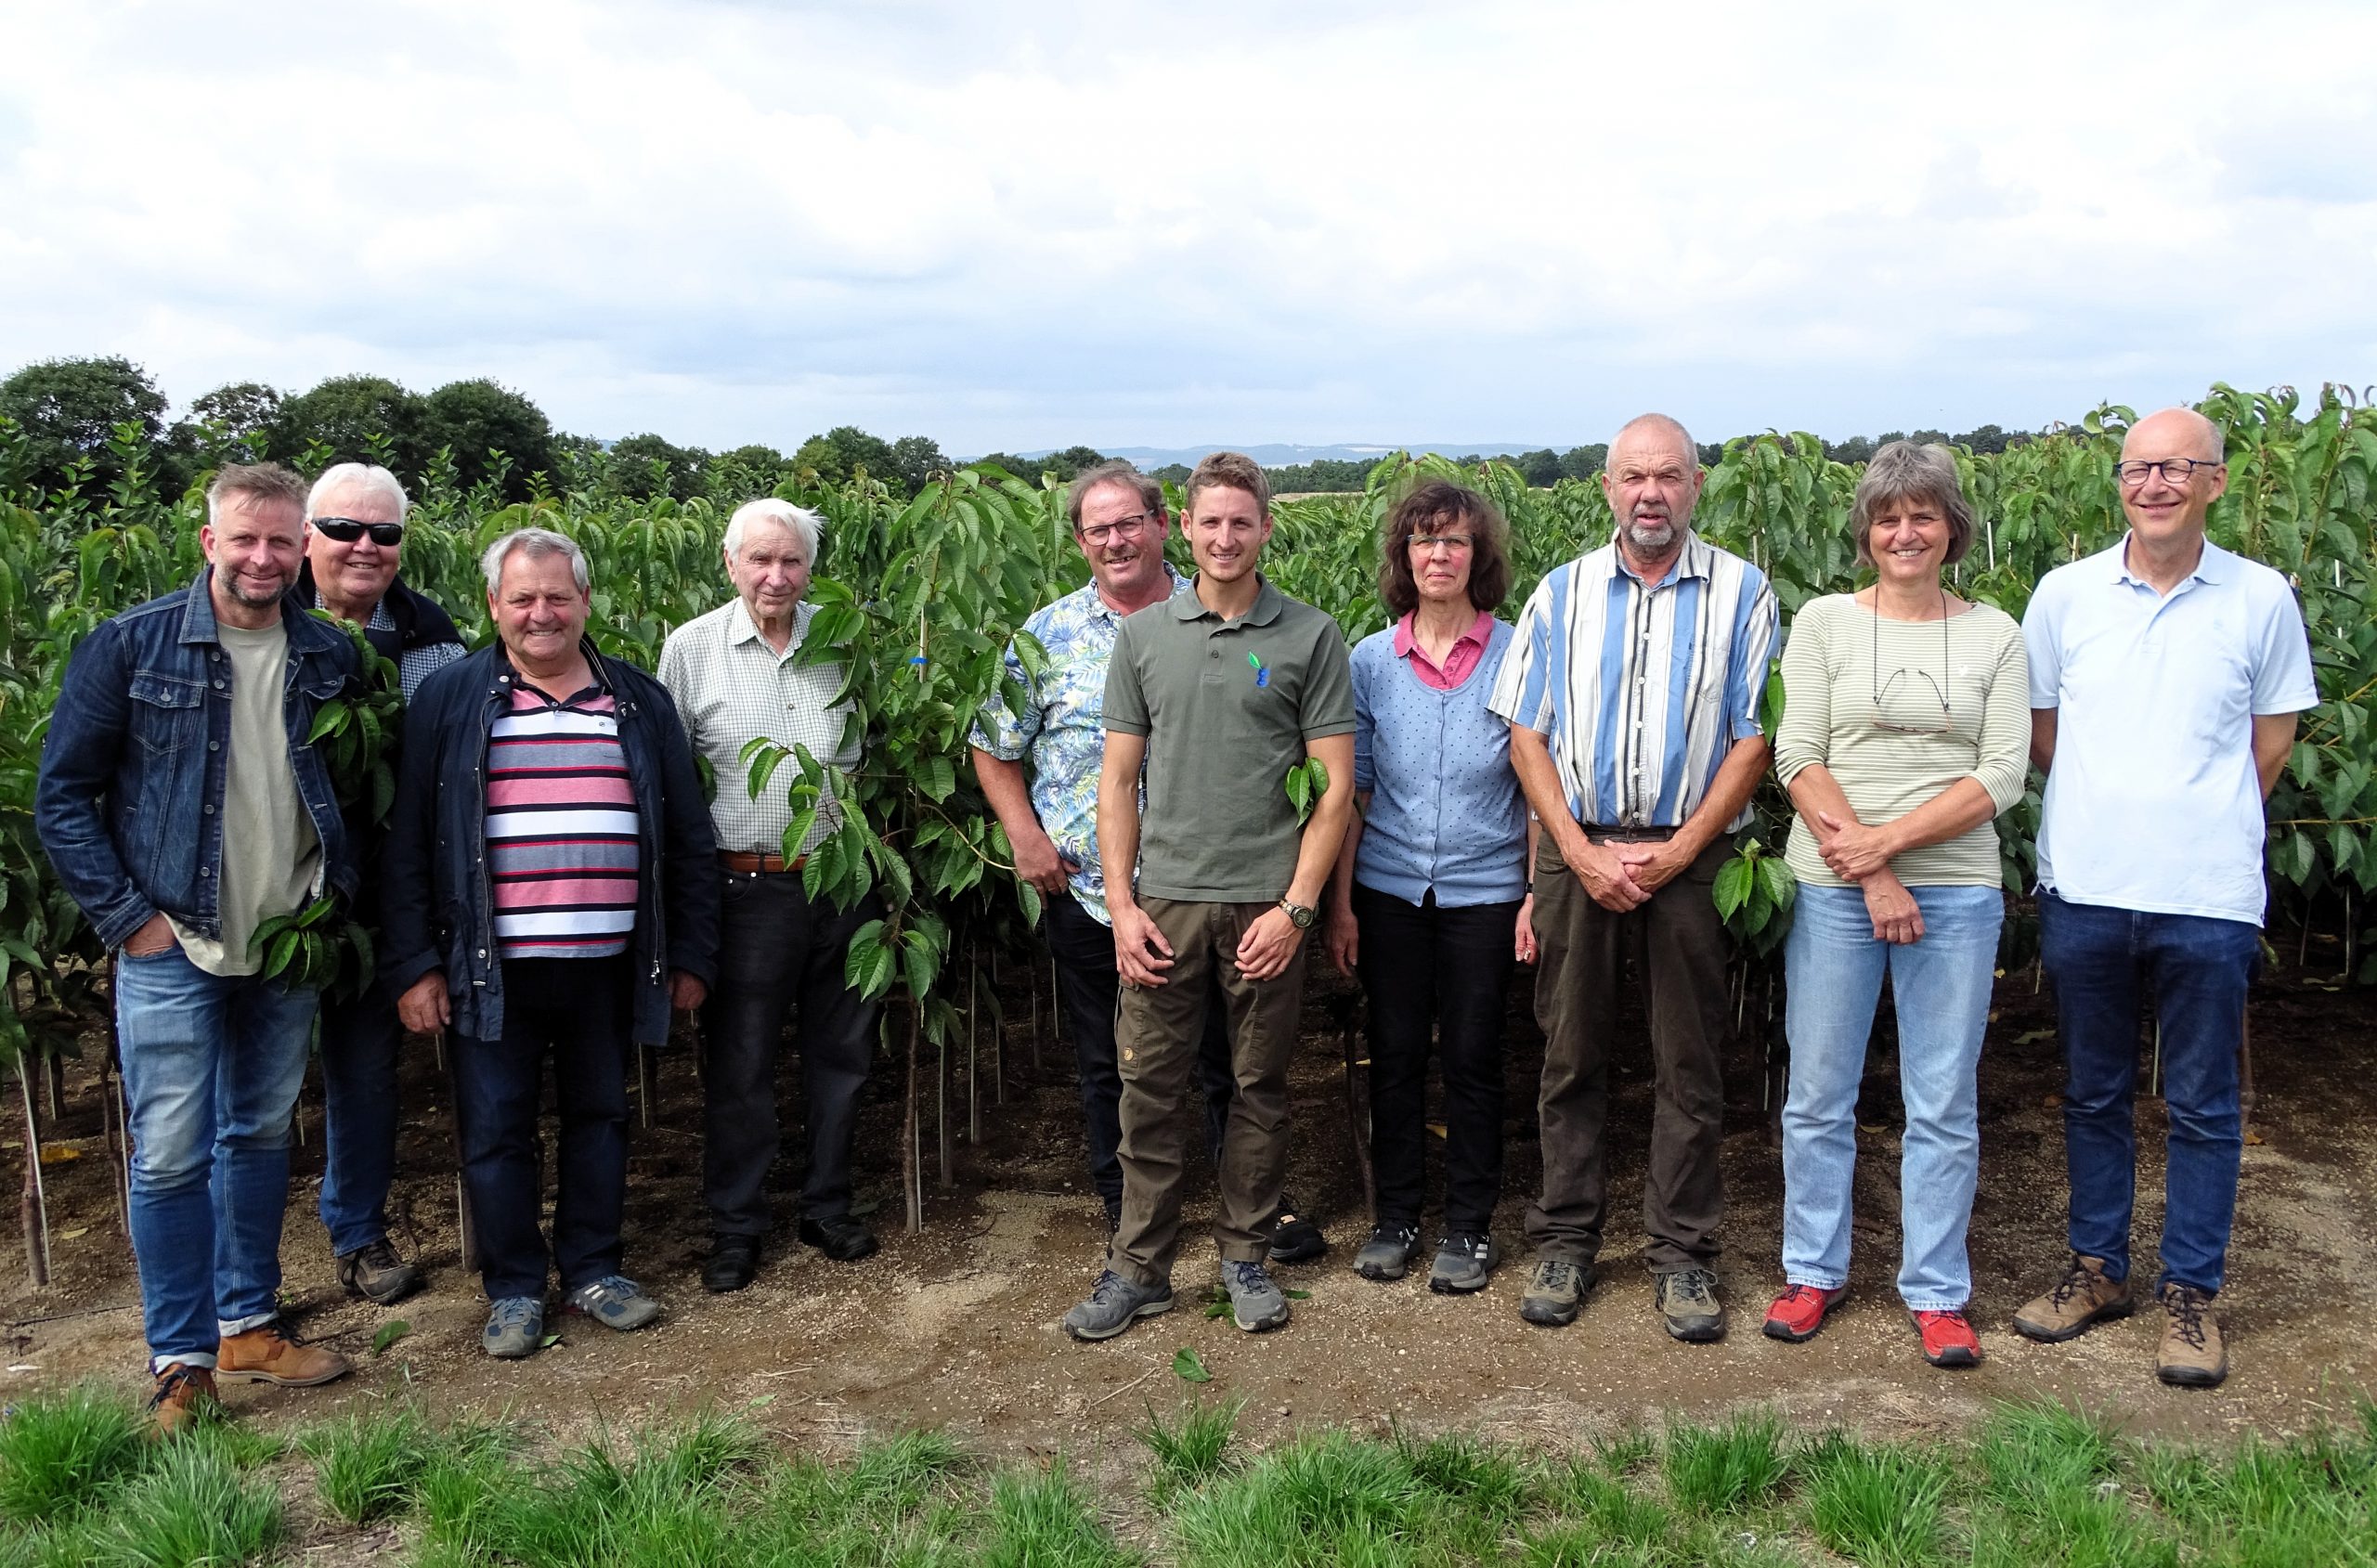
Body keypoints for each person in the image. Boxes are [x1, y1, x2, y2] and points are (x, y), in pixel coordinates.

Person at [35, 462, 361, 1432]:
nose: (263, 557)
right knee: (172, 1153)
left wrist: (331, 899)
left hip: (285, 936)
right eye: (244, 538)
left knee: (259, 1132)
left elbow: (345, 786)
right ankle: (180, 1360)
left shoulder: (326, 654)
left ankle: (248, 1324)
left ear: (303, 548)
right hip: (174, 938)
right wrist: (128, 919)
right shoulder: (132, 645)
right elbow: (63, 797)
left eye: (281, 540)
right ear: (210, 541)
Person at [2012, 407, 2317, 1388]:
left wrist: (2195, 815)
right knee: (2092, 1091)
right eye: (2137, 468)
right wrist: (2113, 803)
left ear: (2214, 483)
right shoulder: (2064, 594)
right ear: (2119, 483)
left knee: (2203, 1102)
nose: (2153, 485)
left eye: (2176, 468)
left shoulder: (2261, 598)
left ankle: (2190, 1294)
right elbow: (2042, 732)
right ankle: (2098, 1268)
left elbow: (2272, 741)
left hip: (2208, 895)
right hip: (2087, 886)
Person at [970, 461, 1323, 1260]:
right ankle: (1125, 1207)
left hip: (1215, 883)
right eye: (1098, 529)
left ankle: (1253, 1205)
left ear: (1165, 525)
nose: (1116, 541)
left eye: (1130, 523)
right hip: (1092, 891)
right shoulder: (1045, 635)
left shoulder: (1227, 615)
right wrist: (1025, 836)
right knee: (1113, 1061)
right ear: (1079, 542)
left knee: (1231, 1056)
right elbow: (994, 742)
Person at [383, 527, 719, 1357]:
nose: (542, 613)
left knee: (601, 1117)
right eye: (523, 598)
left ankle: (595, 1270)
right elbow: (410, 840)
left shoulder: (637, 699)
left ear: (585, 601)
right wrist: (415, 964)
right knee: (497, 1128)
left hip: (608, 962)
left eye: (558, 597)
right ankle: (514, 1288)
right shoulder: (451, 699)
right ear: (493, 605)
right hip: (492, 966)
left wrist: (690, 953)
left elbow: (686, 835)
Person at [1489, 413, 1778, 1341]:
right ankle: (1565, 1240)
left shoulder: (1744, 593)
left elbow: (1753, 738)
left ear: (1696, 485)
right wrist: (1576, 851)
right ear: (1608, 487)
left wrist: (1683, 850)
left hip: (1688, 857)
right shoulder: (1561, 592)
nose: (1650, 493)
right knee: (1569, 1052)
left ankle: (1682, 1253)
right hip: (1577, 851)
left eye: (1668, 476)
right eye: (1633, 477)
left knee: (1688, 1060)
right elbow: (1525, 732)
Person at [1063, 451, 1357, 1340]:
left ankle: (1245, 1257)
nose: (1226, 538)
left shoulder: (1310, 636)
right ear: (1184, 528)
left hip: (1265, 907)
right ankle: (1138, 1267)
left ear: (1266, 527)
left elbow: (1335, 787)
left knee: (1259, 1086)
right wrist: (1123, 906)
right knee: (1147, 1090)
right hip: (1167, 904)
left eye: (1242, 521)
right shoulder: (1144, 637)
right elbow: (1119, 782)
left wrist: (1297, 908)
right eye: (1211, 522)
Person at [1762, 442, 2029, 1367]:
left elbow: (2001, 773)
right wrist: (1871, 870)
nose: (1904, 533)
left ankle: (1937, 1290)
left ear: (1952, 529)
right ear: (1866, 532)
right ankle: (1811, 1272)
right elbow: (1796, 753)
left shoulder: (1996, 633)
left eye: (1922, 516)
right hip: (1835, 888)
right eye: (1887, 518)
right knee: (1817, 1093)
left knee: (1943, 1099)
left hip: (1956, 891)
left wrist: (1891, 845)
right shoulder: (1825, 622)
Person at [657, 499, 882, 1291]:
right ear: (730, 563)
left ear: (811, 568)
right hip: (744, 885)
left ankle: (828, 1204)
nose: (776, 576)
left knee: (843, 1054)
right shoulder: (691, 649)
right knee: (742, 1061)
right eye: (760, 559)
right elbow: (671, 778)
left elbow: (876, 753)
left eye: (791, 560)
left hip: (842, 880)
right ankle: (737, 1224)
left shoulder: (844, 642)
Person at [1324, 479, 1532, 1294]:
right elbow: (1355, 793)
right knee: (1397, 1054)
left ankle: (1470, 1224)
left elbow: (1536, 787)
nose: (1438, 554)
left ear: (1479, 556)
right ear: (1403, 556)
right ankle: (1396, 1217)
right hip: (1390, 893)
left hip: (1487, 893)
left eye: (1454, 540)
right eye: (1423, 539)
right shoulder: (1371, 661)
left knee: (1475, 1058)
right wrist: (1342, 903)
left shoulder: (1518, 652)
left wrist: (1534, 895)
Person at [297, 461, 466, 1308]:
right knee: (249, 1092)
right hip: (272, 899)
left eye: (384, 532)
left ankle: (357, 1232)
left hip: (377, 903)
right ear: (307, 536)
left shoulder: (432, 640)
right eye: (343, 529)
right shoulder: (263, 621)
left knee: (364, 1074)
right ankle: (235, 1278)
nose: (364, 546)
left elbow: (449, 776)